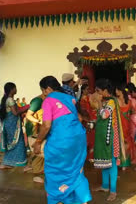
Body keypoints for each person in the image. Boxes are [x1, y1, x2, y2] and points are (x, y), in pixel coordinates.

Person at [33, 76, 91, 204]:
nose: (44, 94)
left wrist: (37, 142)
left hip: (61, 142)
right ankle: (81, 200)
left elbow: (46, 125)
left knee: (55, 171)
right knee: (76, 171)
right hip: (78, 140)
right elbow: (80, 119)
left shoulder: (49, 100)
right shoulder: (70, 98)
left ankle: (58, 199)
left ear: (48, 89)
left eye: (43, 91)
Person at [93, 79, 126, 201]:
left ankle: (113, 191)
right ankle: (105, 186)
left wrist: (98, 102)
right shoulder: (107, 101)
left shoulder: (112, 101)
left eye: (99, 91)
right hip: (105, 137)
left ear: (105, 91)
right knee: (105, 162)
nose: (98, 94)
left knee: (111, 164)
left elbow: (104, 115)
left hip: (111, 138)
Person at [0, 83, 29, 170]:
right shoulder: (10, 100)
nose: (16, 89)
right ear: (12, 89)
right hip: (12, 125)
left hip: (9, 124)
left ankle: (6, 162)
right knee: (18, 142)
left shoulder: (7, 99)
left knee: (11, 143)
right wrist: (28, 107)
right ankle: (22, 163)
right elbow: (15, 113)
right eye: (15, 88)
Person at [25, 92, 45, 183]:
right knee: (37, 148)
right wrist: (39, 122)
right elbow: (28, 115)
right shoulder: (38, 101)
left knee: (38, 148)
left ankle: (36, 168)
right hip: (34, 127)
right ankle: (37, 171)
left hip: (39, 127)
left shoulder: (45, 100)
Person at [116, 84, 133, 170]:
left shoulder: (116, 101)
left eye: (116, 90)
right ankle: (125, 163)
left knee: (119, 142)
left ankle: (120, 163)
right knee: (127, 141)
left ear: (120, 91)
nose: (115, 92)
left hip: (120, 124)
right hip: (127, 123)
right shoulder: (129, 102)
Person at [79, 84, 97, 162]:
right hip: (86, 121)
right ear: (83, 90)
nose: (88, 91)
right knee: (89, 139)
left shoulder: (87, 98)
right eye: (87, 89)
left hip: (89, 119)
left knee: (91, 139)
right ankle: (88, 157)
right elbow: (84, 112)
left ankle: (90, 156)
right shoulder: (82, 100)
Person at [126, 83, 136, 165]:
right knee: (134, 139)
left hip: (133, 120)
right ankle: (135, 157)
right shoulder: (135, 99)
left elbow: (132, 111)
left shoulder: (131, 100)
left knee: (134, 139)